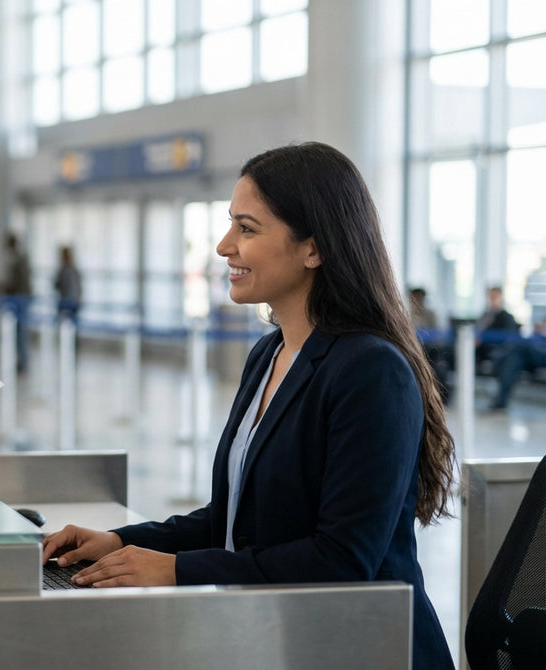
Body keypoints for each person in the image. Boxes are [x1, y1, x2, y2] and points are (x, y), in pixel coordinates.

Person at [41, 142, 455, 669]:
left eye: (247, 228)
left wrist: (175, 571)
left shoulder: (371, 371)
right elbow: (238, 521)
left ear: (314, 248)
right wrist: (120, 541)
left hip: (362, 648)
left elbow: (342, 560)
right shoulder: (269, 354)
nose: (223, 246)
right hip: (276, 635)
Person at [487, 320, 546, 410]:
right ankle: (501, 400)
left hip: (539, 353)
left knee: (518, 347)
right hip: (529, 353)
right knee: (513, 359)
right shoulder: (537, 333)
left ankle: (496, 363)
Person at [409, 287, 451, 403]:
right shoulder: (407, 315)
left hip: (431, 350)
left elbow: (437, 334)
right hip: (413, 351)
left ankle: (441, 399)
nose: (417, 301)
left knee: (439, 369)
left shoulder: (431, 314)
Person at [1, 233, 32, 373]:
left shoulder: (18, 260)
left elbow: (17, 283)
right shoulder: (21, 258)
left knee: (21, 333)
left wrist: (3, 287)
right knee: (19, 333)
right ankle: (21, 361)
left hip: (20, 299)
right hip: (21, 298)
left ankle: (23, 363)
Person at [475, 285, 520, 370]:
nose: (492, 300)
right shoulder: (485, 316)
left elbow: (509, 342)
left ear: (501, 298)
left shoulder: (507, 318)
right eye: (490, 297)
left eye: (494, 297)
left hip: (497, 352)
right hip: (481, 351)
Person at [53, 245, 82, 322]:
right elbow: (79, 287)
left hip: (66, 301)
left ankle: (59, 333)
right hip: (73, 301)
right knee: (73, 322)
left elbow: (57, 285)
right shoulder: (74, 269)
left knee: (60, 321)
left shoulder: (63, 270)